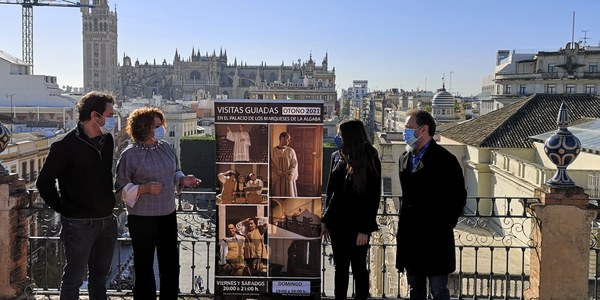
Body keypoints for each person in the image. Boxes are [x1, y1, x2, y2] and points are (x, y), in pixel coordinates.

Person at [36, 91, 118, 300]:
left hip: (106, 222)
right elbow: (43, 183)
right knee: (73, 278)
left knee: (100, 277)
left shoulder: (107, 141)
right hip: (79, 225)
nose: (112, 119)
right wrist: (66, 209)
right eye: (109, 114)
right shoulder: (64, 147)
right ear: (94, 116)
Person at [115, 107, 201, 300]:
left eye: (161, 125)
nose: (161, 129)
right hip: (142, 219)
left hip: (167, 215)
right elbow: (120, 188)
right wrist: (144, 189)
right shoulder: (130, 154)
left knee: (170, 264)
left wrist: (183, 179)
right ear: (144, 128)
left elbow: (175, 171)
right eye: (156, 125)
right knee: (144, 266)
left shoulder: (165, 147)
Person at [395, 109, 466, 300]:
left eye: (409, 128)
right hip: (411, 237)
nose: (405, 132)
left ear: (423, 129)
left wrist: (443, 224)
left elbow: (458, 197)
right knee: (415, 289)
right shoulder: (404, 158)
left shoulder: (445, 159)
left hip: (435, 238)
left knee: (439, 290)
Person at [321, 119, 381, 300]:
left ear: (350, 136)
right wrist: (325, 220)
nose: (338, 137)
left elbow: (373, 197)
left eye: (340, 134)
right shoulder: (336, 156)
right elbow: (332, 192)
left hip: (358, 226)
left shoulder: (370, 156)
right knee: (340, 268)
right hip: (338, 224)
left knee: (359, 268)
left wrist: (365, 228)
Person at [271, 132, 298, 197]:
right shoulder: (273, 150)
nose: (289, 141)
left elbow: (294, 164)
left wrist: (288, 172)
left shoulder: (291, 150)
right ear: (282, 138)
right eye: (288, 139)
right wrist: (278, 172)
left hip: (287, 177)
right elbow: (271, 163)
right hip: (278, 176)